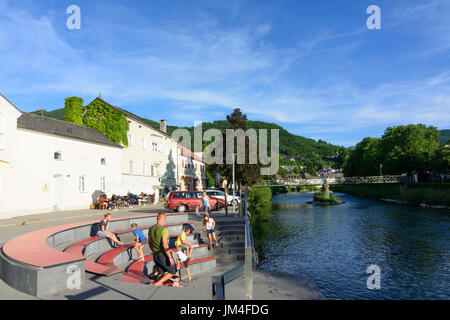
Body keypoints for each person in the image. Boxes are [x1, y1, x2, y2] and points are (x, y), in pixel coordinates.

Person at [148, 213, 177, 286]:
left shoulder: (151, 228)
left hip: (155, 254)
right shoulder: (163, 229)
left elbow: (149, 242)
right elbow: (165, 244)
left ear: (157, 219)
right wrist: (170, 257)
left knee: (161, 273)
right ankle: (157, 284)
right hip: (162, 254)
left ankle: (159, 288)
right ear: (164, 219)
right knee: (172, 271)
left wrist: (153, 251)